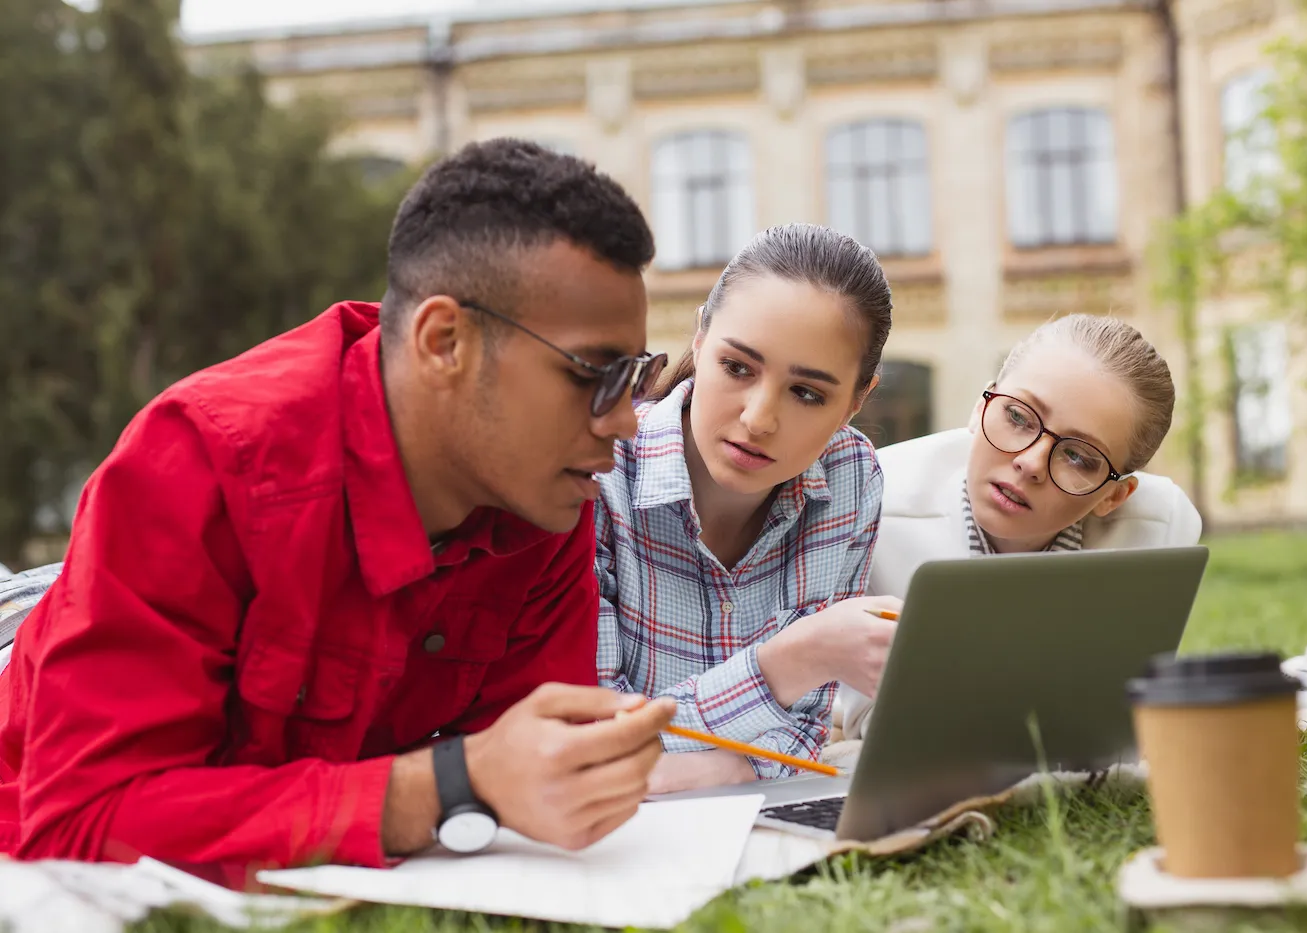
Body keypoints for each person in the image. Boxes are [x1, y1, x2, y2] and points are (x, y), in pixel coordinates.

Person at [0, 139, 680, 867]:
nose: (625, 420)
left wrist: (569, 775)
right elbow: (81, 827)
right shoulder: (204, 461)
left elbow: (522, 805)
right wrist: (451, 784)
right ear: (444, 341)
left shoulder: (544, 501)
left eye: (638, 377)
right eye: (595, 375)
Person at [596, 223, 903, 795]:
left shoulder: (850, 477)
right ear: (699, 339)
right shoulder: (598, 470)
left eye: (807, 393)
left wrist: (687, 767)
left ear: (856, 402)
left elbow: (800, 738)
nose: (759, 419)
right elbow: (591, 743)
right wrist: (792, 661)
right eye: (737, 367)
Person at [838, 313, 1203, 740]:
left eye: (1079, 456)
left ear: (1113, 496)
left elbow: (1124, 714)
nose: (1029, 463)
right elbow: (874, 722)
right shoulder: (872, 502)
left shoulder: (1160, 526)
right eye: (1017, 416)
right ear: (979, 409)